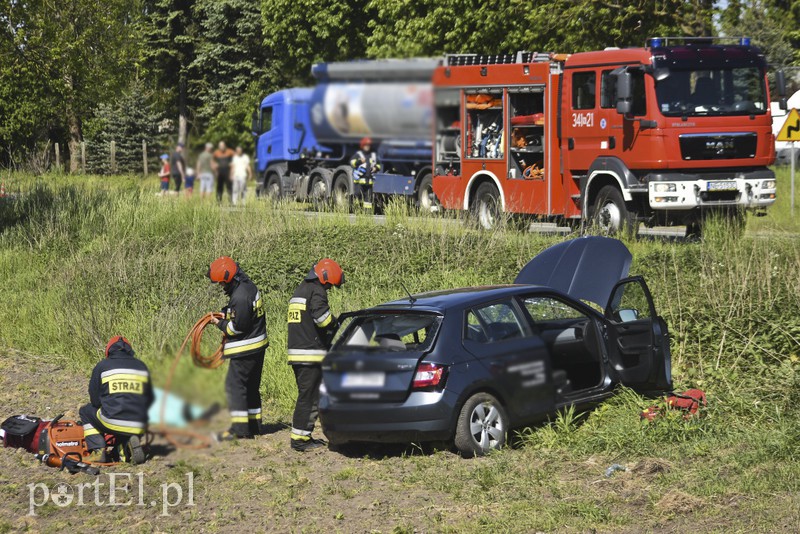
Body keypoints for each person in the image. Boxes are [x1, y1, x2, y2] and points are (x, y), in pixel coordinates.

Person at [207, 256, 268, 440]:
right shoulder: (248, 287)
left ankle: (240, 430)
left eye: (221, 282)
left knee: (235, 386)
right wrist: (226, 312)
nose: (221, 286)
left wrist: (219, 323)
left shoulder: (240, 296)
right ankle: (254, 426)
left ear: (228, 278)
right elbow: (242, 314)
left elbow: (237, 327)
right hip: (256, 345)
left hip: (245, 348)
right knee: (251, 387)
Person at [287, 258, 344, 451]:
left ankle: (303, 435)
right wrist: (335, 322)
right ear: (325, 278)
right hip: (309, 354)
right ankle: (300, 440)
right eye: (329, 285)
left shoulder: (300, 290)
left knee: (307, 395)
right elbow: (322, 319)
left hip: (298, 352)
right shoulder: (316, 291)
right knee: (308, 397)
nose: (329, 289)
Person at [79, 336, 153, 464]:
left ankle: (98, 452)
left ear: (108, 351)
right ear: (130, 351)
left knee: (86, 411)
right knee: (126, 414)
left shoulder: (102, 366)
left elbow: (95, 401)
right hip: (140, 422)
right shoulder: (141, 366)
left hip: (113, 420)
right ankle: (125, 446)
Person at [350, 137, 380, 209]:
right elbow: (352, 163)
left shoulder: (373, 155)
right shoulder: (359, 154)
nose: (367, 147)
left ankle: (367, 212)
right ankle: (356, 209)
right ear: (362, 145)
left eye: (368, 145)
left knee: (368, 199)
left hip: (369, 182)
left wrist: (376, 168)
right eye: (366, 145)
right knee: (357, 195)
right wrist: (359, 161)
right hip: (359, 181)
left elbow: (378, 164)